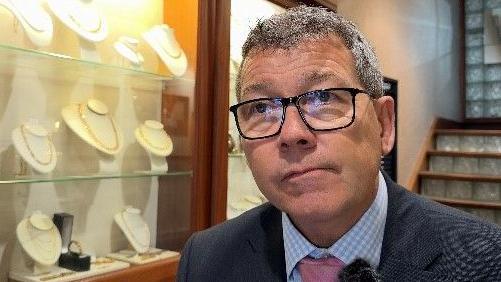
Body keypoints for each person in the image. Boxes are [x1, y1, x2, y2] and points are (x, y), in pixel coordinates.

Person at [177, 6, 501, 281]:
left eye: (324, 98)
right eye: (262, 108)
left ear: (383, 125)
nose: (291, 134)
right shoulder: (205, 260)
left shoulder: (486, 261)